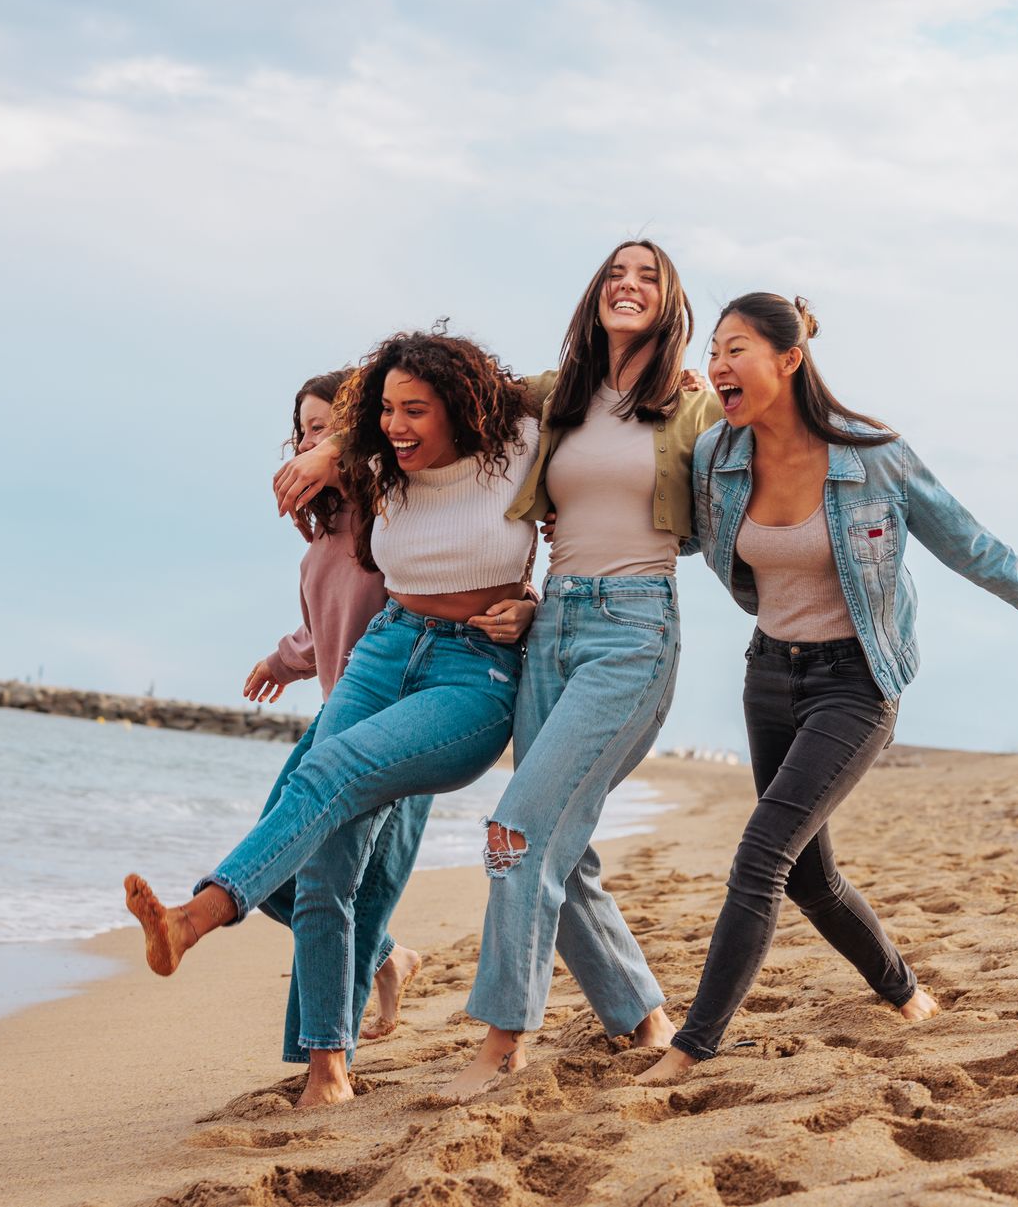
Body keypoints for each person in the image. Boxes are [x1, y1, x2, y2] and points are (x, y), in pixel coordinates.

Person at [277, 240, 725, 1099]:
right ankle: (642, 1015)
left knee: (516, 829)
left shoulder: (691, 408)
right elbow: (432, 398)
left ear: (670, 306)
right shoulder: (556, 395)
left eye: (650, 276)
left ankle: (504, 1042)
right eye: (616, 272)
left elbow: (721, 503)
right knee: (566, 843)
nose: (629, 284)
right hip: (549, 621)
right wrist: (332, 452)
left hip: (633, 624)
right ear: (596, 294)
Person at [636, 292, 1018, 1085]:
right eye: (714, 351)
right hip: (769, 676)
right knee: (808, 875)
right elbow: (667, 526)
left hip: (856, 685)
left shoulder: (874, 454)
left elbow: (970, 545)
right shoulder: (715, 453)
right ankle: (907, 994)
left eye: (737, 349)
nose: (719, 365)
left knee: (759, 856)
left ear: (789, 359)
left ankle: (693, 1047)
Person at [127, 328, 540, 1108]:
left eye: (415, 410)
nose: (397, 425)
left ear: (460, 407)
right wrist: (328, 450)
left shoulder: (521, 441)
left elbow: (575, 487)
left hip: (472, 672)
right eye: (386, 410)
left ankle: (195, 917)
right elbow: (342, 456)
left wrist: (536, 602)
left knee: (326, 768)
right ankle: (327, 1074)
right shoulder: (379, 462)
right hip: (385, 652)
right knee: (326, 862)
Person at [243, 370, 421, 1054]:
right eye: (303, 429)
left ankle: (322, 1061)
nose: (307, 442)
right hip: (334, 717)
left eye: (325, 427)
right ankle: (387, 955)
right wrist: (281, 660)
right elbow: (323, 628)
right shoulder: (323, 535)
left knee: (349, 891)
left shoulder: (396, 512)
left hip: (403, 720)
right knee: (272, 876)